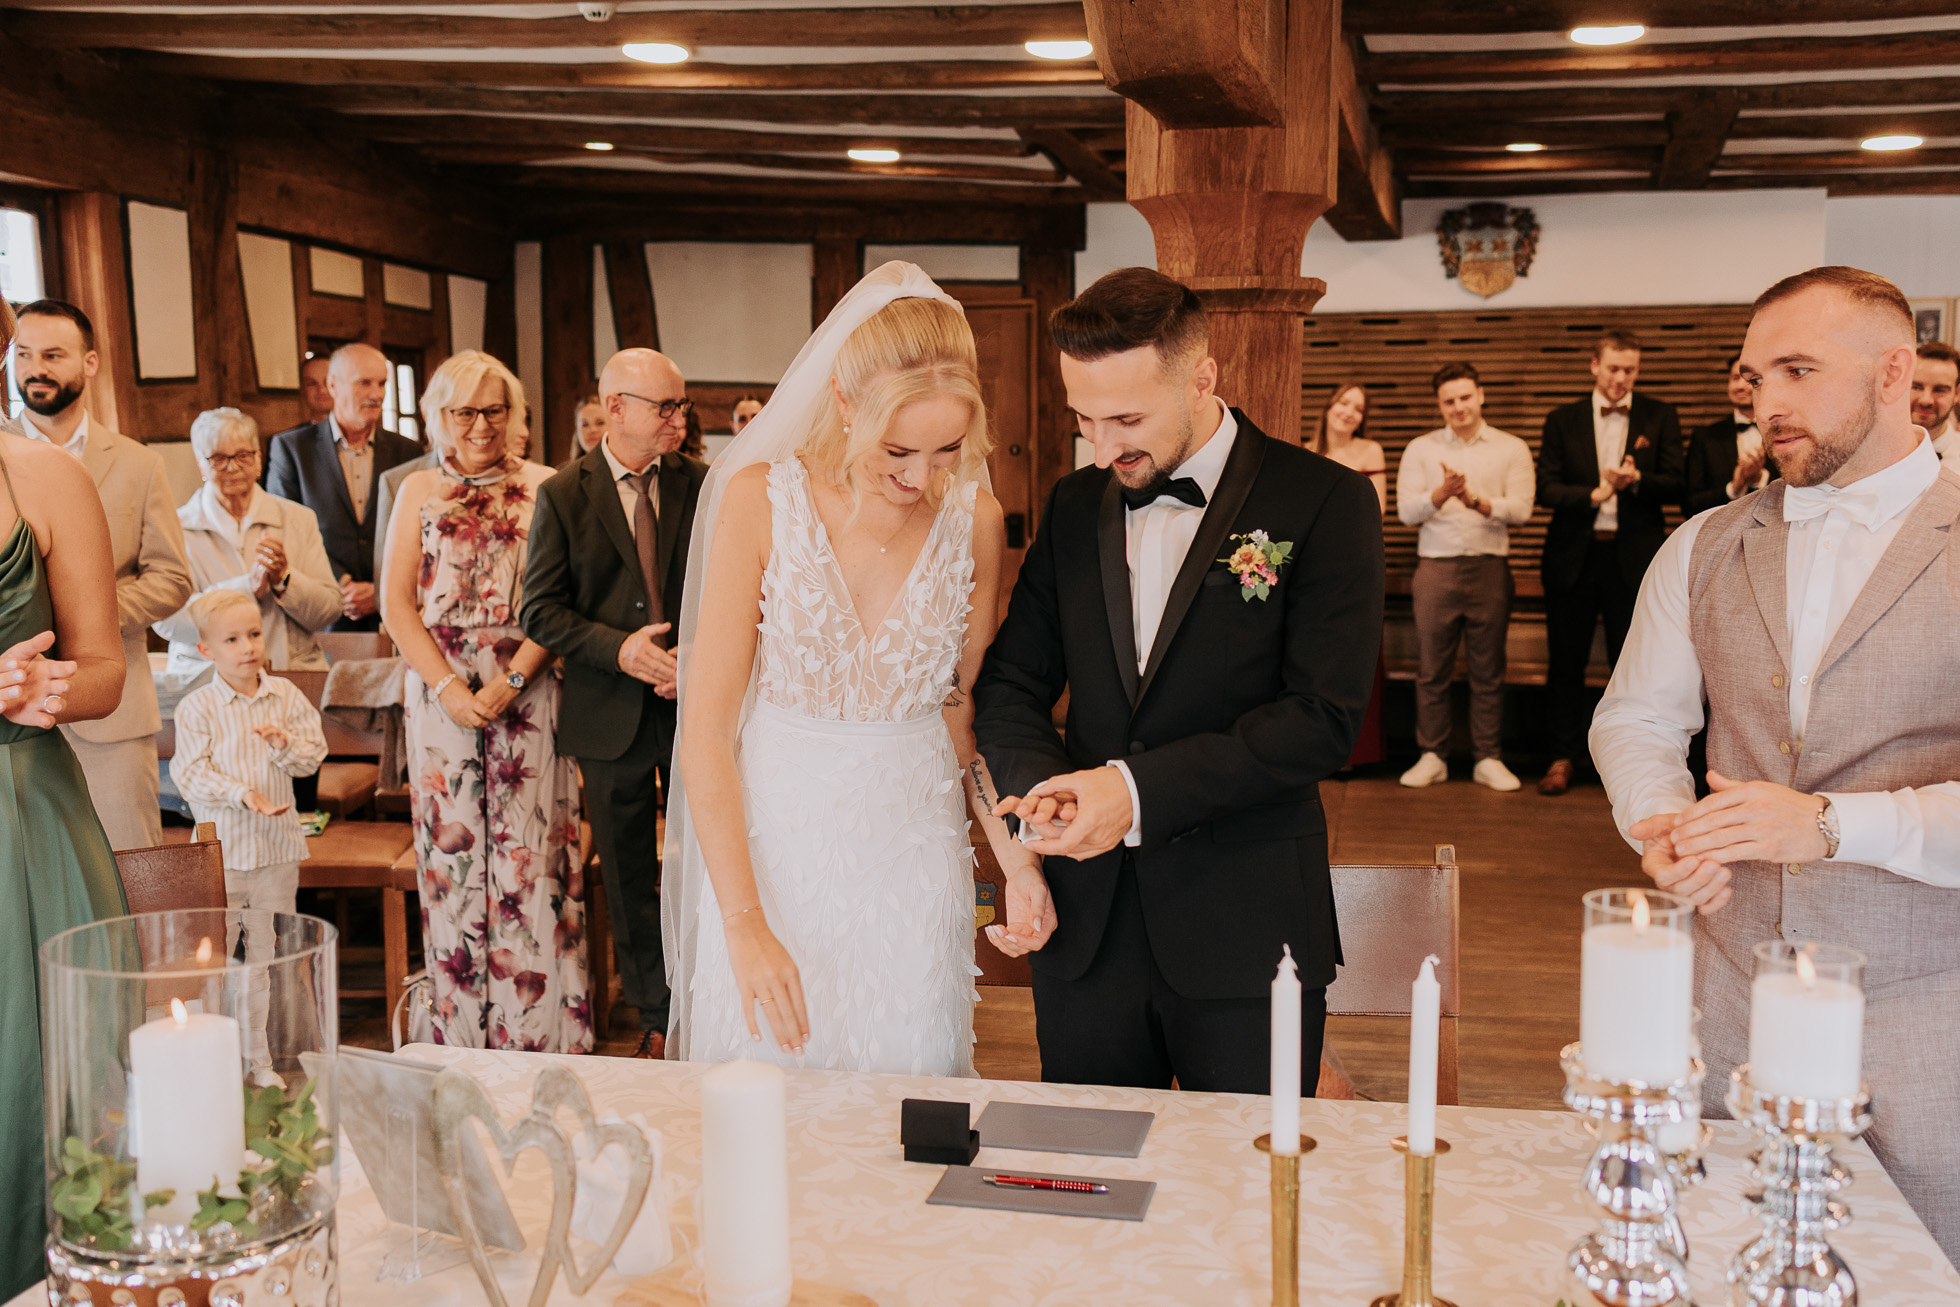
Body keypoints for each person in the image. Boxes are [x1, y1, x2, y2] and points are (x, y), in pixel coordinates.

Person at [1593, 265, 1960, 1264]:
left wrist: (1837, 824)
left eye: (1798, 369)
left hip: (1930, 1011)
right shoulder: (1702, 545)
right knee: (1713, 1250)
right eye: (1754, 377)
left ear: (1895, 373)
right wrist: (1658, 818)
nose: (1765, 403)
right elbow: (1633, 716)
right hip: (1726, 1002)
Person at [974, 267, 1384, 1093]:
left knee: (1243, 1195)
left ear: (1203, 376)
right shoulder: (1073, 504)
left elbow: (1321, 718)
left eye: (1126, 418)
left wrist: (1134, 790)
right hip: (1085, 931)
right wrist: (1040, 792)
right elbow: (1010, 683)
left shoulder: (1325, 502)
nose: (1102, 446)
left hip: (1248, 926)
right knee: (1086, 1185)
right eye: (1083, 417)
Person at [663, 262, 1038, 1075]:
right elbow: (704, 737)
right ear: (843, 403)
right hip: (771, 863)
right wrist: (744, 921)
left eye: (946, 451)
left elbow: (959, 715)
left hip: (913, 868)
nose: (919, 477)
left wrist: (1016, 859)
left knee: (910, 1111)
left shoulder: (975, 520)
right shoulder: (762, 501)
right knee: (765, 1110)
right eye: (897, 449)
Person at [381, 351, 590, 1053]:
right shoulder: (414, 491)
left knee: (529, 856)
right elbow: (395, 605)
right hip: (440, 693)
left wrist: (515, 678)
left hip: (529, 683)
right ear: (439, 417)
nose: (480, 425)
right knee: (451, 862)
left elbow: (565, 598)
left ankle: (537, 1035)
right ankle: (463, 1038)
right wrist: (447, 686)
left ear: (515, 415)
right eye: (464, 411)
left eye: (493, 410)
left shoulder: (547, 486)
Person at [525, 348, 709, 1059]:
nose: (678, 419)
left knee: (705, 858)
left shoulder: (704, 483)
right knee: (630, 874)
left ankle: (707, 996)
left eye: (681, 405)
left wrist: (694, 658)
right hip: (610, 712)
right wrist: (619, 648)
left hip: (695, 703)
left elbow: (738, 586)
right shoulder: (564, 494)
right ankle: (656, 1013)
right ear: (616, 408)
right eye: (666, 407)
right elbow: (540, 610)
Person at [0, 297, 131, 1297]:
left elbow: (101, 668)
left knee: (44, 1091)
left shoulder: (42, 474)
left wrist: (48, 689)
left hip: (26, 814)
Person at [4, 299, 191, 849]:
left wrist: (88, 606)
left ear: (89, 363)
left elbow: (173, 578)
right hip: (10, 715)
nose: (36, 368)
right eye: (24, 353)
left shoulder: (138, 462)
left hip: (113, 716)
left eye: (54, 354)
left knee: (127, 875)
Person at [167, 589, 328, 1081]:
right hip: (224, 853)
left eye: (254, 634)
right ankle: (217, 1061)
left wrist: (283, 746)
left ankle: (259, 1060)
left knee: (265, 960)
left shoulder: (286, 698)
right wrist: (243, 794)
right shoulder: (198, 708)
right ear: (207, 651)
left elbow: (312, 754)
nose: (247, 647)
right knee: (215, 961)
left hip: (276, 852)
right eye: (232, 639)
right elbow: (189, 773)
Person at [1535, 329, 1683, 797]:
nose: (1621, 378)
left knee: (1634, 666)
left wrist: (1636, 480)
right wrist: (1593, 494)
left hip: (1634, 558)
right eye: (1613, 368)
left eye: (1630, 370)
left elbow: (1678, 485)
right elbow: (1546, 489)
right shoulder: (1562, 419)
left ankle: (1628, 767)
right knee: (1566, 662)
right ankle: (1561, 757)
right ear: (1594, 365)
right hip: (1573, 555)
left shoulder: (1661, 416)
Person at [1395, 362, 1534, 793]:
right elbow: (1406, 512)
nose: (1458, 407)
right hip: (1436, 567)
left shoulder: (1511, 447)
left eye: (1465, 397)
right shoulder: (1420, 448)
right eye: (1449, 401)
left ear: (1481, 395)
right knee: (1432, 668)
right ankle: (1432, 755)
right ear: (1440, 405)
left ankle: (1487, 757)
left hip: (1489, 567)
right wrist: (1443, 492)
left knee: (1488, 669)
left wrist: (1474, 500)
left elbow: (1522, 510)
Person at [154, 408, 341, 682]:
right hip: (206, 684)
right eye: (219, 458)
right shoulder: (175, 528)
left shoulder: (298, 519)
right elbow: (167, 621)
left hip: (289, 676)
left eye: (243, 456)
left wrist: (284, 581)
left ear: (258, 459)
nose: (233, 467)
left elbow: (328, 610)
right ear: (201, 464)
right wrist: (245, 588)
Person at [266, 342, 422, 631]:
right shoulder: (291, 449)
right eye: (364, 383)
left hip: (395, 616)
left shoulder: (408, 452)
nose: (377, 395)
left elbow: (420, 532)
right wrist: (342, 583)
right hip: (321, 613)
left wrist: (378, 590)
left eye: (382, 383)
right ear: (333, 386)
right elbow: (286, 528)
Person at [1685, 354, 1771, 516]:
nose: (1740, 386)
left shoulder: (1783, 432)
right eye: (1735, 378)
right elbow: (1690, 504)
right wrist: (1733, 488)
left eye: (1749, 380)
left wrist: (1760, 478)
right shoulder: (1705, 437)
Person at [1910, 339, 1959, 460]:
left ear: (1957, 394)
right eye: (1916, 387)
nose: (1925, 400)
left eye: (1939, 390)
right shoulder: (1871, 451)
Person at [298, 354, 334, 428]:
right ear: (302, 390)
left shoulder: (363, 437)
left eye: (328, 382)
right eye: (312, 383)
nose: (321, 390)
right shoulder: (289, 439)